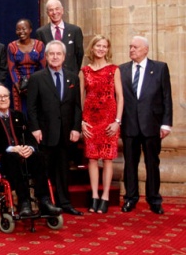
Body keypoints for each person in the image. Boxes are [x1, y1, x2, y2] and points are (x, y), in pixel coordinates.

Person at [0, 85, 62, 218]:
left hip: (23, 155)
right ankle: (24, 202)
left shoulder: (18, 115)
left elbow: (29, 137)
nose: (3, 99)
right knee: (12, 157)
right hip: (2, 157)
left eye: (5, 96)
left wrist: (29, 148)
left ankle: (44, 200)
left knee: (38, 156)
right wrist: (10, 148)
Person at [27, 40, 83, 216]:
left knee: (63, 170)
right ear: (46, 57)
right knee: (45, 170)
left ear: (64, 56)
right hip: (44, 132)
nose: (55, 57)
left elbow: (76, 106)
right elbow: (32, 107)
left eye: (58, 54)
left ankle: (65, 203)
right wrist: (35, 128)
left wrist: (76, 128)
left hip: (66, 133)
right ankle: (45, 202)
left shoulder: (72, 77)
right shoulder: (37, 78)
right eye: (51, 54)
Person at [120, 36, 173, 215]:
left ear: (145, 50)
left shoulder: (159, 68)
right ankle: (130, 198)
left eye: (135, 47)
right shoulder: (122, 70)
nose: (132, 50)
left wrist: (166, 124)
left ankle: (154, 199)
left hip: (152, 124)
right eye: (130, 47)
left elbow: (166, 97)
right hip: (129, 125)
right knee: (130, 164)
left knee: (152, 163)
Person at [79, 35, 123, 214]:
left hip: (109, 121)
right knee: (92, 159)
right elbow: (80, 99)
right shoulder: (84, 71)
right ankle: (95, 196)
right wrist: (81, 122)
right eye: (98, 45)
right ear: (92, 48)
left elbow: (120, 97)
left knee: (107, 159)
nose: (101, 49)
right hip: (90, 120)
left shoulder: (114, 70)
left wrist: (117, 122)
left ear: (108, 49)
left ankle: (105, 196)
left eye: (104, 46)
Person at [7, 18, 46, 114]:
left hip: (37, 84)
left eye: (24, 29)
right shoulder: (12, 46)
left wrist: (36, 86)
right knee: (21, 114)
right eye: (18, 29)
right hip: (19, 87)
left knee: (37, 112)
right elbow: (12, 69)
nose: (21, 32)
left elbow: (43, 68)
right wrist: (19, 86)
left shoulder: (39, 45)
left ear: (30, 30)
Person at [35, 0, 84, 73]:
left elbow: (79, 54)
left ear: (62, 10)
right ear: (47, 13)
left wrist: (75, 73)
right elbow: (40, 57)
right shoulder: (41, 32)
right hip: (49, 77)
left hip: (70, 75)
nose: (54, 12)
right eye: (51, 10)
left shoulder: (75, 30)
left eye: (57, 9)